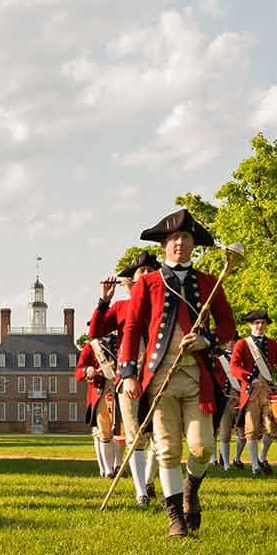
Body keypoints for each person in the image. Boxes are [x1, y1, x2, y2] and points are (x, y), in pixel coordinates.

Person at [118, 209, 237, 537]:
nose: (179, 244)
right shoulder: (148, 284)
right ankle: (175, 516)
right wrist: (129, 372)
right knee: (168, 448)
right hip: (159, 378)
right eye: (173, 239)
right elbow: (131, 329)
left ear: (193, 244)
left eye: (185, 238)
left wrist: (206, 339)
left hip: (198, 377)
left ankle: (190, 491)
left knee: (202, 448)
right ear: (164, 245)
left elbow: (228, 325)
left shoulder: (208, 282)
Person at [90, 251, 161, 502]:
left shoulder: (163, 304)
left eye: (151, 270)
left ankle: (150, 481)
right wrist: (104, 301)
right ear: (132, 278)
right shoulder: (123, 307)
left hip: (158, 375)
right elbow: (95, 331)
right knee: (134, 435)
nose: (147, 274)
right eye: (142, 271)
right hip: (128, 377)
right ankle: (141, 492)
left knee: (160, 435)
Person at [229, 309, 277, 476]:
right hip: (250, 392)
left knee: (271, 428)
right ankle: (254, 466)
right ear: (250, 325)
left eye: (263, 323)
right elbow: (234, 366)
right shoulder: (242, 344)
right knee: (251, 430)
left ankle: (262, 457)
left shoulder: (272, 344)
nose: (260, 326)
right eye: (256, 323)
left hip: (268, 392)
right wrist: (250, 378)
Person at [76, 333, 120, 481]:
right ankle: (107, 470)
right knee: (103, 433)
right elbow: (78, 371)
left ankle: (117, 465)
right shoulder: (91, 346)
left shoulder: (121, 341)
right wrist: (87, 371)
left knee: (120, 432)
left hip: (119, 390)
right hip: (100, 394)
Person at [211, 340, 243, 471]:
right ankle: (224, 463)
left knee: (242, 432)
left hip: (240, 397)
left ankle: (236, 458)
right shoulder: (218, 357)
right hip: (224, 399)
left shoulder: (241, 358)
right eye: (228, 341)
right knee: (223, 433)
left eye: (233, 341)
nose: (230, 343)